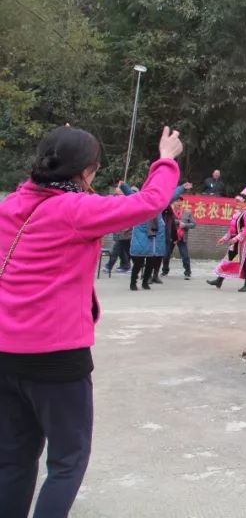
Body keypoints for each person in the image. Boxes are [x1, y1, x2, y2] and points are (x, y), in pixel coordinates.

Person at [0, 125, 183, 518]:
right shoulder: (75, 210)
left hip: (5, 352)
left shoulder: (10, 206)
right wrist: (166, 158)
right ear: (85, 172)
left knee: (13, 458)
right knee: (67, 460)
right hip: (56, 356)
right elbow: (150, 201)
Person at [123, 180, 188, 291]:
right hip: (142, 235)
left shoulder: (159, 202)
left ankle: (145, 282)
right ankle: (133, 282)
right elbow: (129, 193)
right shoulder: (140, 199)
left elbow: (171, 196)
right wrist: (123, 186)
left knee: (151, 262)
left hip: (155, 237)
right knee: (138, 262)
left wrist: (182, 188)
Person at [208, 188, 246, 292]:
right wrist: (225, 238)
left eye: (239, 201)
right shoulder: (237, 214)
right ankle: (219, 280)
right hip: (235, 242)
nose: (237, 203)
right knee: (229, 260)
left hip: (244, 243)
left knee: (244, 263)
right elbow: (232, 230)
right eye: (237, 201)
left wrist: (236, 238)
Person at [163, 196, 194, 279]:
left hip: (181, 237)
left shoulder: (187, 212)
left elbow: (193, 224)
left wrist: (185, 225)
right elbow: (166, 222)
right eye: (177, 201)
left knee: (185, 255)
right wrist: (177, 222)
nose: (179, 203)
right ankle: (165, 271)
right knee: (166, 255)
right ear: (173, 202)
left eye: (180, 201)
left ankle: (187, 272)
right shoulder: (169, 212)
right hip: (171, 237)